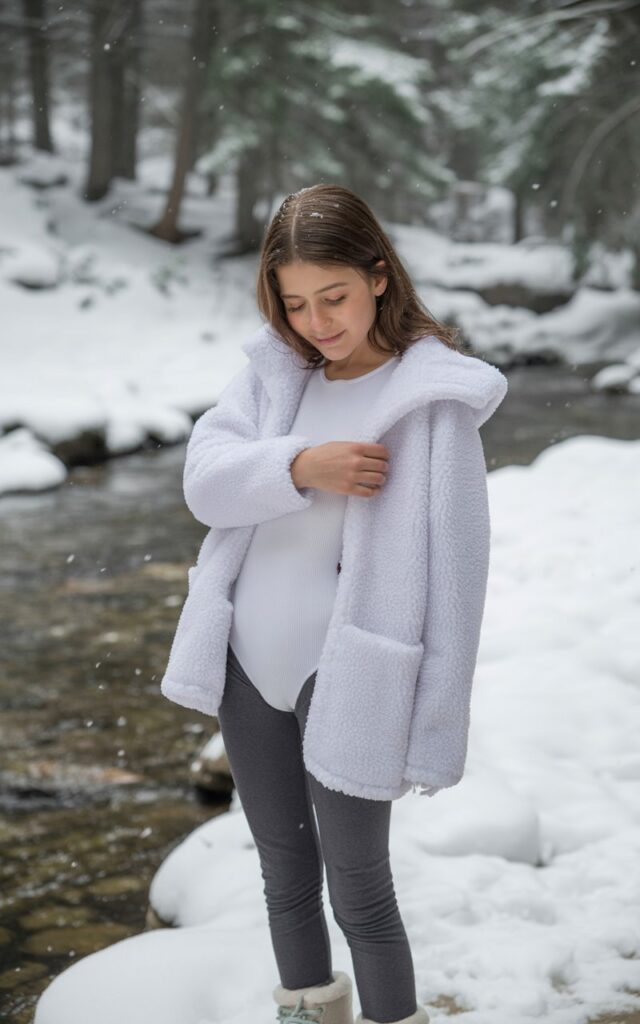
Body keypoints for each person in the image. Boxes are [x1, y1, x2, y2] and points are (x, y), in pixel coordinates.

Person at [160, 183, 508, 1024]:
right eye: (296, 304)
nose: (317, 322)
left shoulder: (433, 407)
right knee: (283, 870)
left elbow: (460, 583)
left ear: (379, 275)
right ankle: (308, 1013)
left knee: (361, 890)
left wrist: (436, 726)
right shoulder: (272, 378)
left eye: (335, 297)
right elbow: (204, 483)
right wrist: (300, 466)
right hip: (250, 660)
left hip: (349, 672)